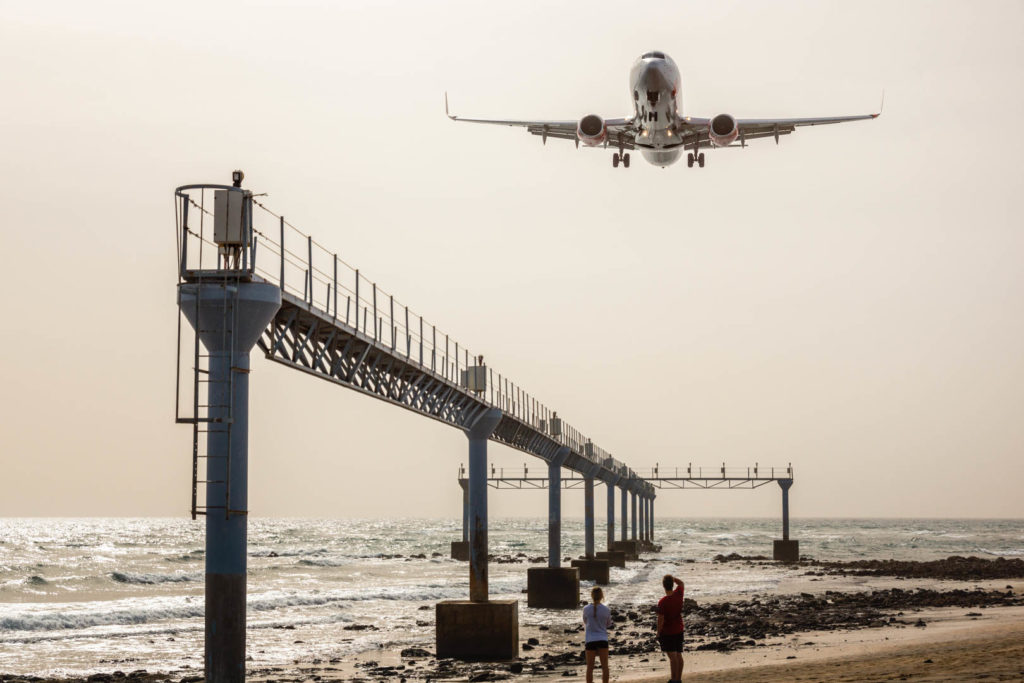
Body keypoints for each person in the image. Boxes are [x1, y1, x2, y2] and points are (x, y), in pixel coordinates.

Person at [657, 574, 685, 682]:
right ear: (672, 585)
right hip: (679, 629)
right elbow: (681, 583)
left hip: (668, 632)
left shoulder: (663, 602)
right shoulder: (678, 594)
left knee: (673, 657)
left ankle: (674, 679)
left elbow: (660, 619)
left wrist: (658, 632)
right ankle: (678, 679)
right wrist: (673, 579)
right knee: (678, 655)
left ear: (663, 586)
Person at [582, 586, 612, 683]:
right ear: (602, 596)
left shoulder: (586, 609)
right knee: (605, 667)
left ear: (591, 595)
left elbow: (585, 622)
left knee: (590, 668)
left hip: (590, 640)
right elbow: (608, 624)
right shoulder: (606, 609)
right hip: (602, 639)